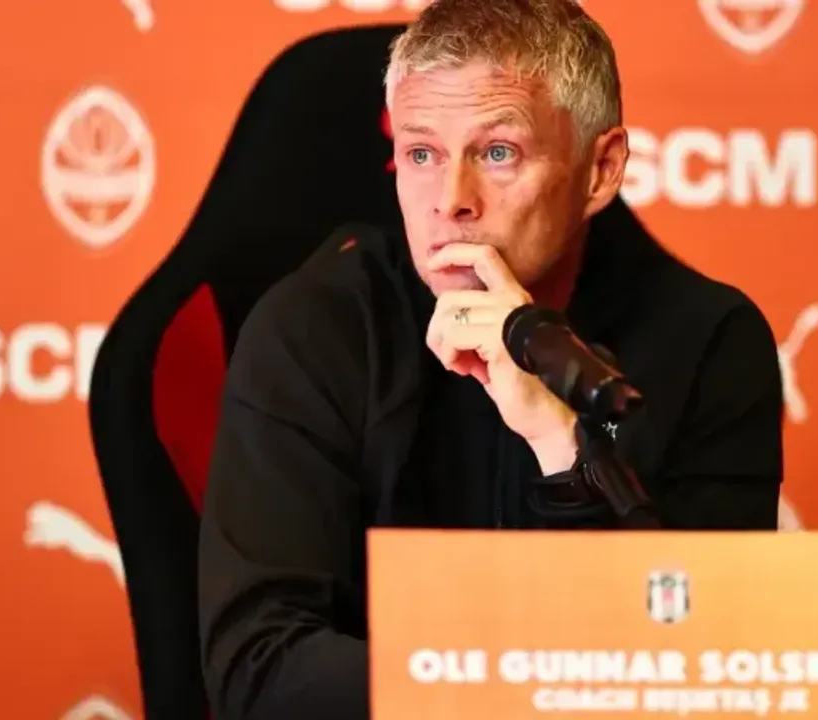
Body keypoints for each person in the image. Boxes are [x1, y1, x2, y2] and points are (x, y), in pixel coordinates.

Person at [197, 0, 784, 717]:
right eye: (421, 154)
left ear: (601, 171)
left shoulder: (710, 340)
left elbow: (702, 669)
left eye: (498, 153)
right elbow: (259, 669)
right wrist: (508, 686)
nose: (451, 202)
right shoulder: (316, 329)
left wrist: (560, 444)